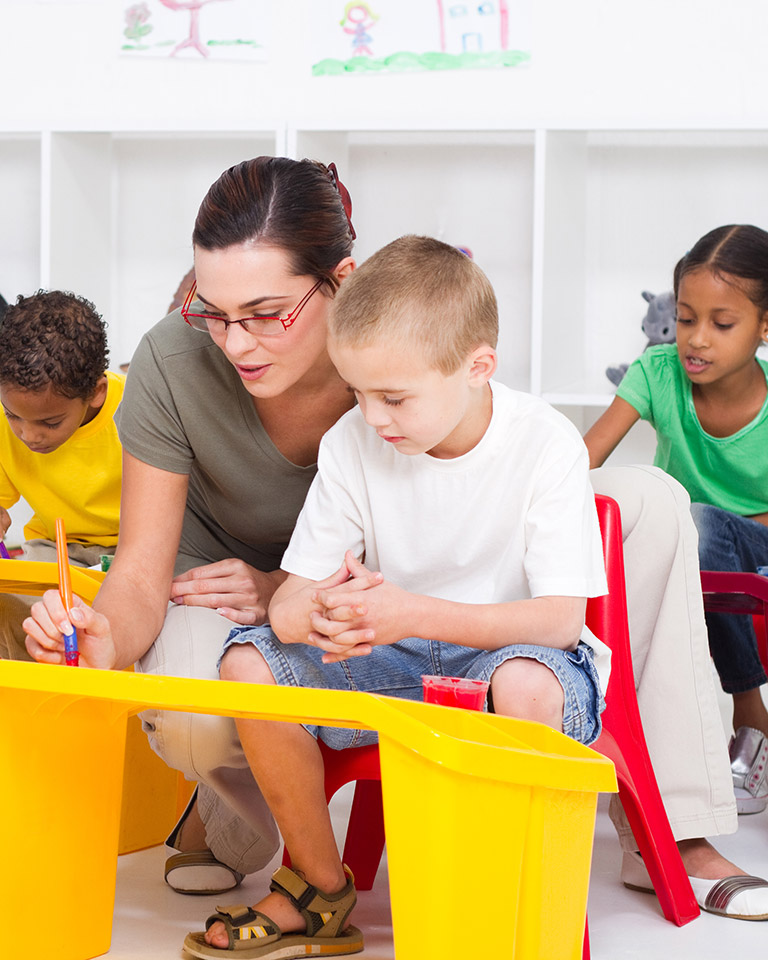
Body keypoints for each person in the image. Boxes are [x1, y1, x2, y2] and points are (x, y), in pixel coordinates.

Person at [20, 161, 765, 921]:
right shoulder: (190, 368)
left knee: (655, 500)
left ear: (340, 281)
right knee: (204, 705)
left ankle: (674, 831)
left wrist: (313, 593)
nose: (234, 341)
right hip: (287, 601)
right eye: (209, 310)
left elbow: (471, 514)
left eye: (265, 311)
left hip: (406, 595)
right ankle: (257, 830)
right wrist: (100, 636)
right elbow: (146, 573)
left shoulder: (397, 335)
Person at [184, 234, 609, 957]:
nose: (374, 417)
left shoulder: (546, 443)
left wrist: (407, 612)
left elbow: (561, 621)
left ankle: (493, 898)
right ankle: (318, 886)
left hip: (508, 661)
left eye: (394, 397)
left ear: (478, 368)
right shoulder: (354, 442)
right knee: (250, 664)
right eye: (358, 393)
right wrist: (318, 617)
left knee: (526, 684)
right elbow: (287, 603)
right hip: (394, 659)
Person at [584, 225, 768, 822]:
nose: (696, 339)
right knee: (681, 530)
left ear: (764, 326)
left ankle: (749, 712)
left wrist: (713, 524)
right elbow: (585, 458)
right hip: (688, 545)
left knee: (700, 526)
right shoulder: (658, 372)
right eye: (686, 318)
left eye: (722, 323)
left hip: (756, 544)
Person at [0, 290, 123, 659]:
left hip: (128, 551)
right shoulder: (9, 424)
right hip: (51, 549)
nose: (28, 435)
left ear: (96, 393)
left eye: (49, 422)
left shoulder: (136, 410)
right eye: (12, 416)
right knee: (17, 612)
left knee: (102, 627)